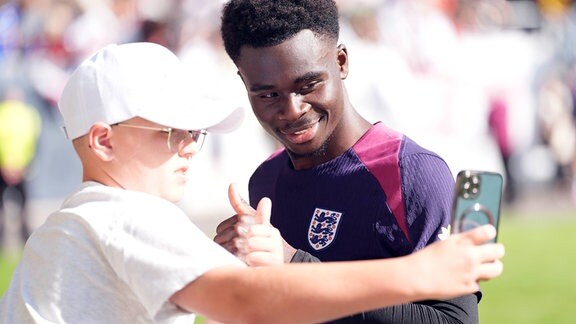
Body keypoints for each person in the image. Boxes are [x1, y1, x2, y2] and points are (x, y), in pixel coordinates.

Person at [0, 42, 504, 324]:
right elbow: (249, 300)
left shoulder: (74, 221)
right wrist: (421, 273)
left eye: (195, 131)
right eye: (172, 132)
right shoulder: (128, 216)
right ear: (104, 142)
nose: (192, 147)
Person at [214, 0, 486, 322]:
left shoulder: (411, 173)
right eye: (268, 95)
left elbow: (456, 320)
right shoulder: (265, 180)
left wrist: (295, 266)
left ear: (341, 62)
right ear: (245, 85)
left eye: (307, 85)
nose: (292, 109)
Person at [0, 85, 42, 247]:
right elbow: (34, 142)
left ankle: (5, 243)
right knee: (24, 207)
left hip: (6, 168)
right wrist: (24, 165)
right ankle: (26, 241)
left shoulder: (3, 114)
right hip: (21, 167)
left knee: (5, 209)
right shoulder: (29, 114)